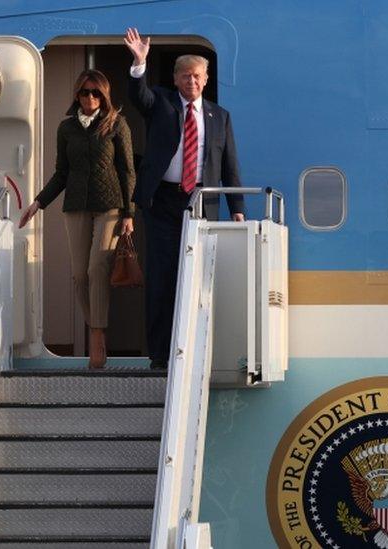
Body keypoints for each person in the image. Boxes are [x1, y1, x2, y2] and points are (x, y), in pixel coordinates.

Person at [123, 27, 245, 370]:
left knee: (199, 277)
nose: (192, 81)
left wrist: (237, 210)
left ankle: (196, 347)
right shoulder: (160, 102)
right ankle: (160, 355)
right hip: (163, 203)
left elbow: (230, 165)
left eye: (197, 75)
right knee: (163, 277)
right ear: (176, 79)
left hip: (202, 203)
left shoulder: (220, 117)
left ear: (206, 80)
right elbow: (139, 96)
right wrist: (139, 62)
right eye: (185, 75)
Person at [19, 70, 135, 369]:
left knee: (98, 267)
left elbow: (127, 171)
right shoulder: (66, 128)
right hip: (76, 207)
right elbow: (61, 173)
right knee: (80, 275)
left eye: (96, 93)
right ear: (77, 95)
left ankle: (97, 337)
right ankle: (96, 325)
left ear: (105, 96)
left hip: (110, 206)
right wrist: (38, 203)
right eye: (85, 92)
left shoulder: (116, 124)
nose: (90, 98)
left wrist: (129, 213)